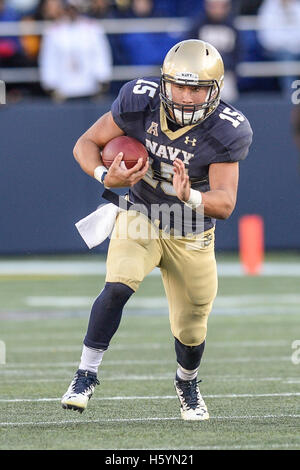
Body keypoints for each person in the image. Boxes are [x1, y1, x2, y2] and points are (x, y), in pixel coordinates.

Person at [61, 39, 253, 421]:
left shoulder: (227, 130)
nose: (184, 96)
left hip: (191, 231)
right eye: (179, 86)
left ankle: (187, 382)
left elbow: (225, 203)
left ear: (214, 91)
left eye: (195, 88)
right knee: (118, 285)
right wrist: (105, 174)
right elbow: (85, 143)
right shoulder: (139, 99)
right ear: (164, 81)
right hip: (142, 214)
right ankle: (85, 374)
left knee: (192, 327)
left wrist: (192, 196)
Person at [38, 0, 112, 101]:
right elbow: (48, 59)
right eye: (69, 8)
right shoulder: (53, 31)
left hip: (89, 86)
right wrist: (50, 84)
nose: (72, 12)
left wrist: (102, 78)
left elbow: (101, 54)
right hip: (63, 89)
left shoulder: (93, 28)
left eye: (75, 8)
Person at [186, 0, 240, 102]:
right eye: (214, 6)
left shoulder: (232, 26)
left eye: (222, 6)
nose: (218, 10)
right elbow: (190, 50)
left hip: (226, 75)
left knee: (228, 104)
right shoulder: (198, 25)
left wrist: (227, 67)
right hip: (201, 76)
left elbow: (238, 52)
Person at [257, 0, 300, 97]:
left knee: (288, 55)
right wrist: (288, 44)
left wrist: (291, 44)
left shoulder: (297, 6)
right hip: (276, 50)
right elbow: (267, 37)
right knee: (287, 57)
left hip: (296, 48)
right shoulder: (269, 6)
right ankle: (291, 97)